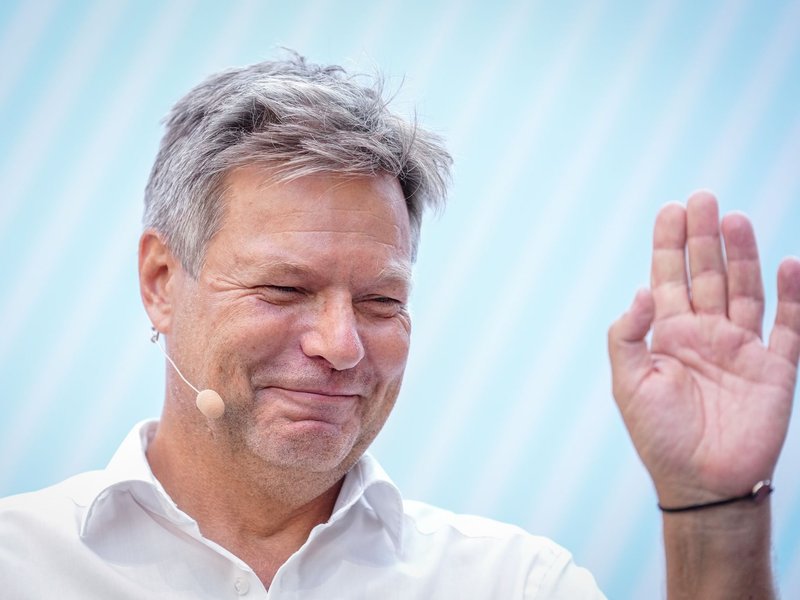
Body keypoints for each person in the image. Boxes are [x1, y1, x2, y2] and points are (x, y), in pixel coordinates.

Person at [1, 52, 798, 599]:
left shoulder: (512, 583)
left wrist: (714, 511)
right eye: (284, 288)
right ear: (161, 283)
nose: (342, 345)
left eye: (381, 302)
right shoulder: (19, 564)